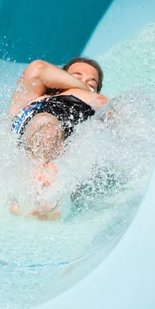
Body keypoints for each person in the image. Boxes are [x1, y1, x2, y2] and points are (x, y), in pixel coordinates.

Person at [8, 57, 109, 220]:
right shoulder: (32, 96)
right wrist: (84, 89)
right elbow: (38, 68)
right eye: (76, 76)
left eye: (92, 83)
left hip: (68, 146)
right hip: (33, 134)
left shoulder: (96, 101)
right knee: (46, 127)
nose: (84, 82)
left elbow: (114, 113)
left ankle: (46, 195)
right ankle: (35, 192)